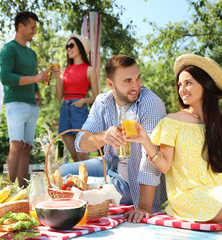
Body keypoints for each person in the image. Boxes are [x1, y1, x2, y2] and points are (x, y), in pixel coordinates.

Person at [128, 54, 222, 237]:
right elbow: (164, 165)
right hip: (191, 198)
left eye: (188, 83)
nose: (182, 89)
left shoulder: (217, 122)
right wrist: (145, 141)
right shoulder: (172, 121)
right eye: (180, 85)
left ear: (205, 84)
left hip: (220, 197)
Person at [59, 54, 167, 223]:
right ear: (110, 84)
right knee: (62, 173)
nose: (136, 86)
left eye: (138, 78)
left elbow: (150, 160)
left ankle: (70, 213)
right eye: (127, 81)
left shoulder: (151, 103)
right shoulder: (103, 101)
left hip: (132, 180)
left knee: (71, 185)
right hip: (112, 164)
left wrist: (144, 208)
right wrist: (104, 137)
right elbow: (81, 143)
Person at [0, 11, 51, 188]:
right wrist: (36, 78)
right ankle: (5, 193)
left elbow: (32, 76)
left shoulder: (31, 53)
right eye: (32, 27)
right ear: (21, 26)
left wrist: (37, 92)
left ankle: (22, 192)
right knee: (16, 146)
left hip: (31, 105)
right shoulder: (9, 49)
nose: (34, 32)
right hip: (15, 103)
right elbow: (5, 78)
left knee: (26, 148)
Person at [53, 34, 99, 162]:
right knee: (73, 155)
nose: (68, 48)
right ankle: (78, 182)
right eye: (67, 46)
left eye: (71, 45)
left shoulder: (89, 70)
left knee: (83, 154)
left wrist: (83, 101)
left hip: (80, 110)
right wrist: (58, 78)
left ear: (81, 48)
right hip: (65, 110)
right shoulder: (65, 70)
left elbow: (97, 97)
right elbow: (59, 95)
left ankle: (88, 181)